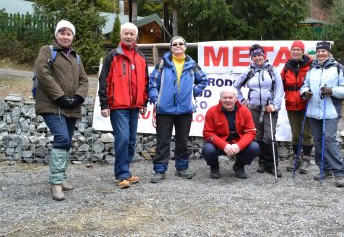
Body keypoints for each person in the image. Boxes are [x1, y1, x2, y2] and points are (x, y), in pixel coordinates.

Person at [34, 20, 88, 201]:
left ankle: (62, 177)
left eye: (69, 33)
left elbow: (84, 81)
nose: (65, 36)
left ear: (73, 36)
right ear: (56, 34)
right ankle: (56, 183)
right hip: (51, 105)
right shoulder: (47, 51)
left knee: (67, 141)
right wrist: (60, 97)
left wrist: (79, 97)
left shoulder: (76, 57)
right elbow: (43, 74)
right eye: (62, 33)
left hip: (71, 106)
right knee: (62, 138)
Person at [148, 36, 208, 183]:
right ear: (171, 47)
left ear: (185, 47)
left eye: (181, 44)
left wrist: (193, 93)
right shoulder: (163, 64)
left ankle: (182, 168)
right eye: (175, 44)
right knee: (163, 141)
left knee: (182, 141)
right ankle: (159, 170)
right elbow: (153, 82)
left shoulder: (192, 64)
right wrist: (156, 99)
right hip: (164, 110)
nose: (178, 46)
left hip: (185, 110)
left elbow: (204, 80)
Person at [98, 22, 149, 189]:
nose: (128, 36)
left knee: (132, 140)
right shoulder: (112, 56)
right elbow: (104, 81)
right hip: (118, 107)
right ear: (120, 36)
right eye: (126, 33)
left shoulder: (141, 58)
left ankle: (126, 171)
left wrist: (144, 102)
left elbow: (145, 82)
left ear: (136, 37)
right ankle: (121, 174)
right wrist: (104, 104)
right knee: (123, 139)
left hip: (135, 106)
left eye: (132, 34)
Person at [300, 41, 344, 187]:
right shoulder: (312, 68)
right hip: (313, 112)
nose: (321, 53)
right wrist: (305, 93)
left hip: (330, 112)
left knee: (328, 140)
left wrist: (332, 91)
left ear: (329, 53)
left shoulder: (338, 68)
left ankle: (339, 173)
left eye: (324, 51)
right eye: (319, 51)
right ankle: (325, 169)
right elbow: (305, 85)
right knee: (318, 140)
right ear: (316, 53)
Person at [233, 44, 284, 177]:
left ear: (264, 55)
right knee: (257, 136)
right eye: (254, 56)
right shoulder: (249, 71)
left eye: (259, 55)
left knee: (269, 136)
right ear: (251, 58)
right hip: (253, 109)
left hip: (269, 109)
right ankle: (262, 163)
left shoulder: (273, 70)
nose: (257, 58)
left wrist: (275, 105)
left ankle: (272, 165)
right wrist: (242, 101)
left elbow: (279, 89)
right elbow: (235, 87)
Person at [202, 86, 259, 179]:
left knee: (254, 147)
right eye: (225, 97)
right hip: (219, 144)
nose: (227, 100)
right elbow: (208, 133)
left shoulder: (245, 111)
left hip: (237, 143)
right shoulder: (211, 111)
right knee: (207, 149)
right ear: (220, 98)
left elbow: (251, 132)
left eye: (230, 97)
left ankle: (239, 166)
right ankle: (214, 167)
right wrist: (224, 145)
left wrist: (239, 146)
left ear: (236, 99)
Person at [281, 40, 314, 174]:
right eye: (293, 49)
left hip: (306, 103)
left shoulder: (311, 65)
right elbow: (282, 84)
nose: (295, 52)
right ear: (290, 51)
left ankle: (306, 159)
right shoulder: (287, 66)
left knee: (307, 134)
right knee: (295, 134)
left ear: (302, 51)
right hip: (291, 103)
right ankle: (296, 158)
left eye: (298, 49)